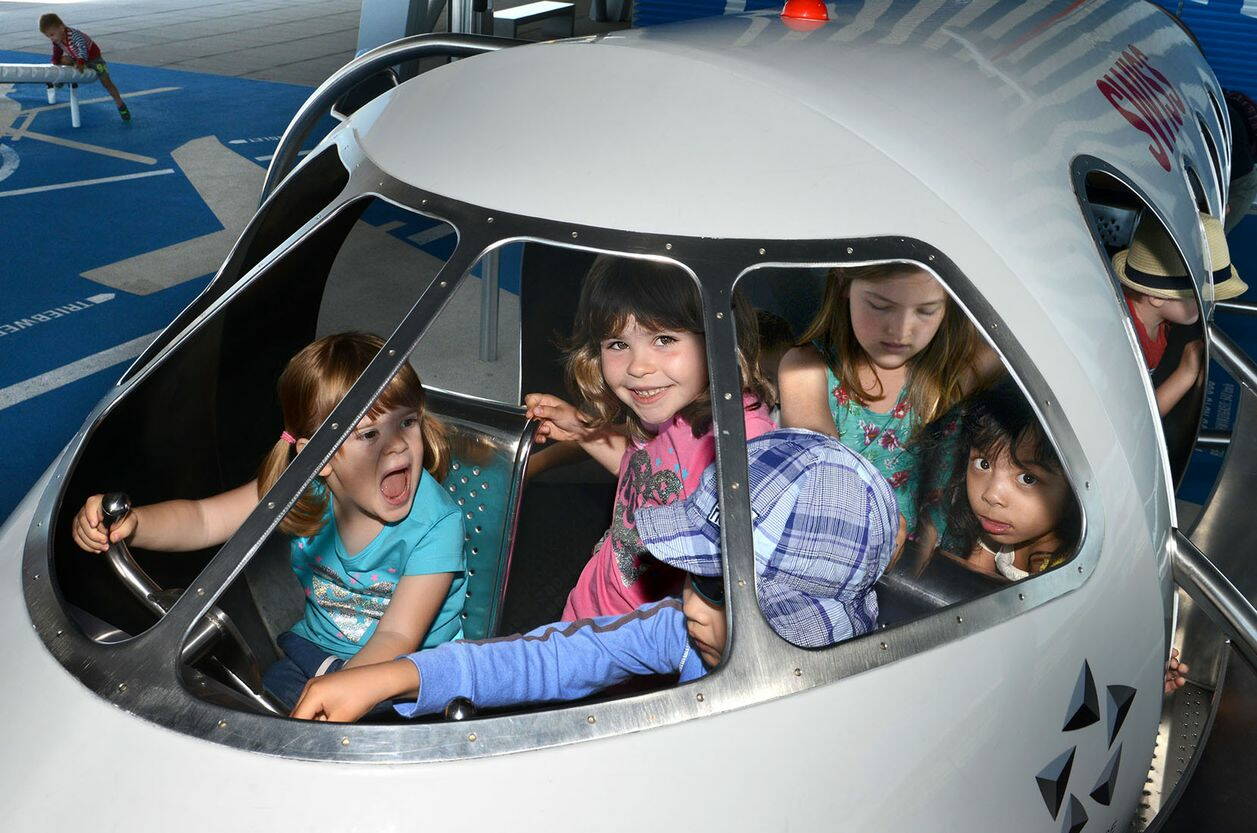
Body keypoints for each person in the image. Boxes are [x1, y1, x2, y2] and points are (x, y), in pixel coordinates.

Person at [289, 428, 899, 722]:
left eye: (716, 587)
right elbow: (546, 659)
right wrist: (393, 678)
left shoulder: (849, 705)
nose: (688, 603)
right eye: (693, 574)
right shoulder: (677, 631)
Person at [70, 332, 466, 710]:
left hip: (405, 674)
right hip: (313, 655)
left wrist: (339, 690)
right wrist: (135, 523)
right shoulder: (303, 487)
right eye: (368, 435)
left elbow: (397, 636)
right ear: (319, 458)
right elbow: (205, 519)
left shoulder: (436, 525)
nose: (396, 443)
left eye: (407, 422)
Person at [524, 256, 776, 621]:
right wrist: (584, 432)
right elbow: (642, 473)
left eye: (664, 339)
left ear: (719, 338)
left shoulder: (745, 448)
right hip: (591, 608)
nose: (638, 367)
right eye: (617, 344)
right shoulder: (676, 405)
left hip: (642, 649)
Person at [777, 263, 1000, 537]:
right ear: (843, 282)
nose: (901, 331)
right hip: (848, 546)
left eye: (926, 310)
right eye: (881, 306)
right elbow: (824, 478)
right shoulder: (805, 370)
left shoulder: (945, 376)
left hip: (940, 570)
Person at [929, 381, 1080, 581]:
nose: (991, 495)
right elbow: (967, 580)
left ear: (1073, 490)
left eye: (1027, 478)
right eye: (983, 464)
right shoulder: (1002, 529)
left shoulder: (1061, 571)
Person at [1114, 212, 1247, 416]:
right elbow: (1134, 419)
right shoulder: (1123, 344)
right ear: (1157, 297)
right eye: (1199, 296)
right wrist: (1186, 373)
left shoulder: (1157, 322)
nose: (1209, 303)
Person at [38, 13, 130, 121]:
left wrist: (80, 62)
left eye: (52, 35)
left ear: (61, 28)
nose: (51, 38)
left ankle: (120, 104)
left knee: (106, 82)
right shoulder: (57, 40)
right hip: (76, 57)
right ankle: (61, 80)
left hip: (94, 59)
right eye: (48, 36)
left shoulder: (74, 35)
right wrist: (55, 62)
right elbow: (57, 52)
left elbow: (82, 49)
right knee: (61, 60)